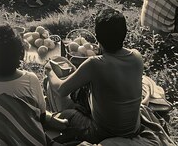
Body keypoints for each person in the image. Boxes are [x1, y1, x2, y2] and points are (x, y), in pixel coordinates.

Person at [46, 8, 143, 143]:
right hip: (133, 129)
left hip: (103, 133)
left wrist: (49, 70)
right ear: (125, 33)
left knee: (52, 87)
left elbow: (61, 90)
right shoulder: (136, 56)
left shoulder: (95, 64)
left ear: (97, 38)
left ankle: (59, 121)